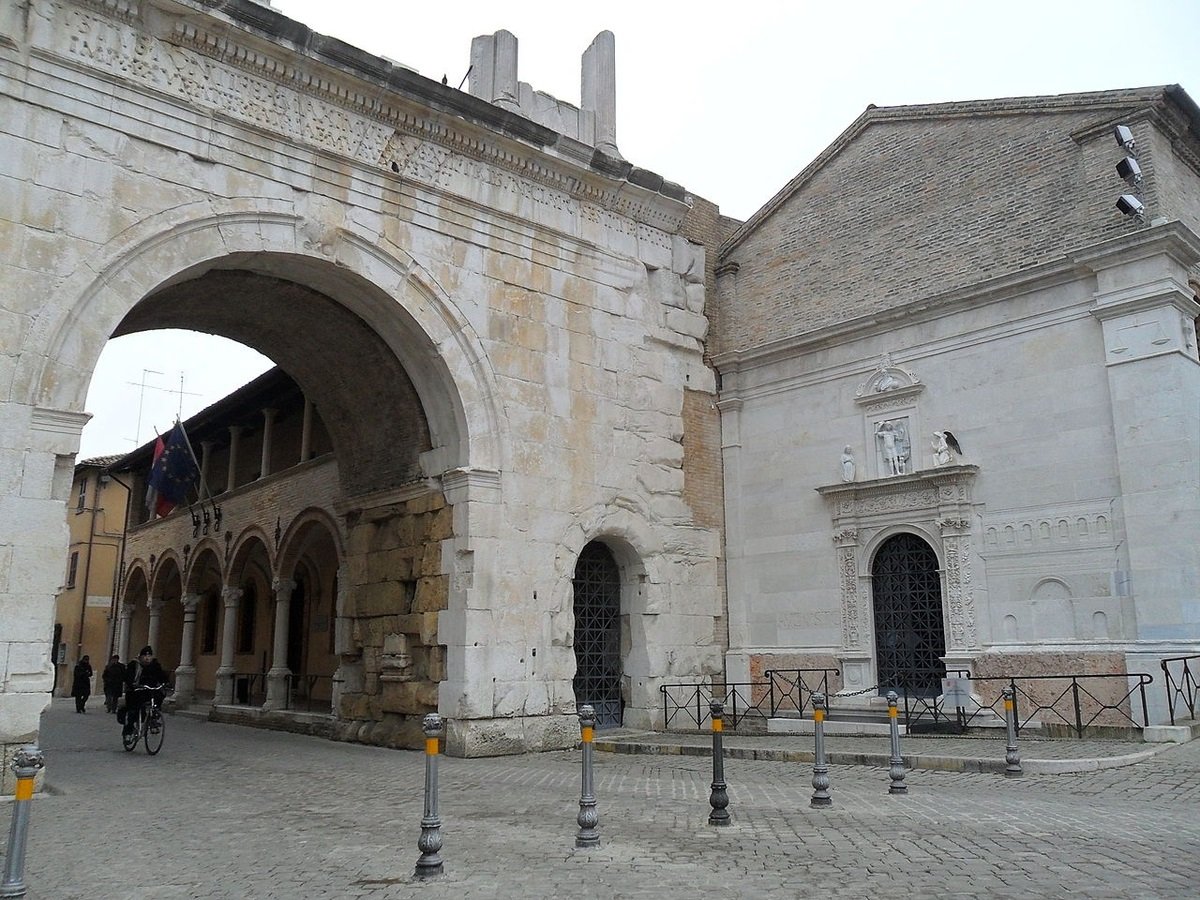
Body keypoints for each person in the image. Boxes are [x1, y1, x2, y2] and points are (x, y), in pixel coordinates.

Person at [122, 646, 169, 737]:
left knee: (159, 695)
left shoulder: (154, 665)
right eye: (145, 656)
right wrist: (132, 684)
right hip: (135, 691)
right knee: (133, 711)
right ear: (140, 657)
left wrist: (165, 683)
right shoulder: (134, 665)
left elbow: (161, 675)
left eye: (149, 656)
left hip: (149, 690)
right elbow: (128, 677)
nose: (147, 658)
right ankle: (128, 730)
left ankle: (153, 717)